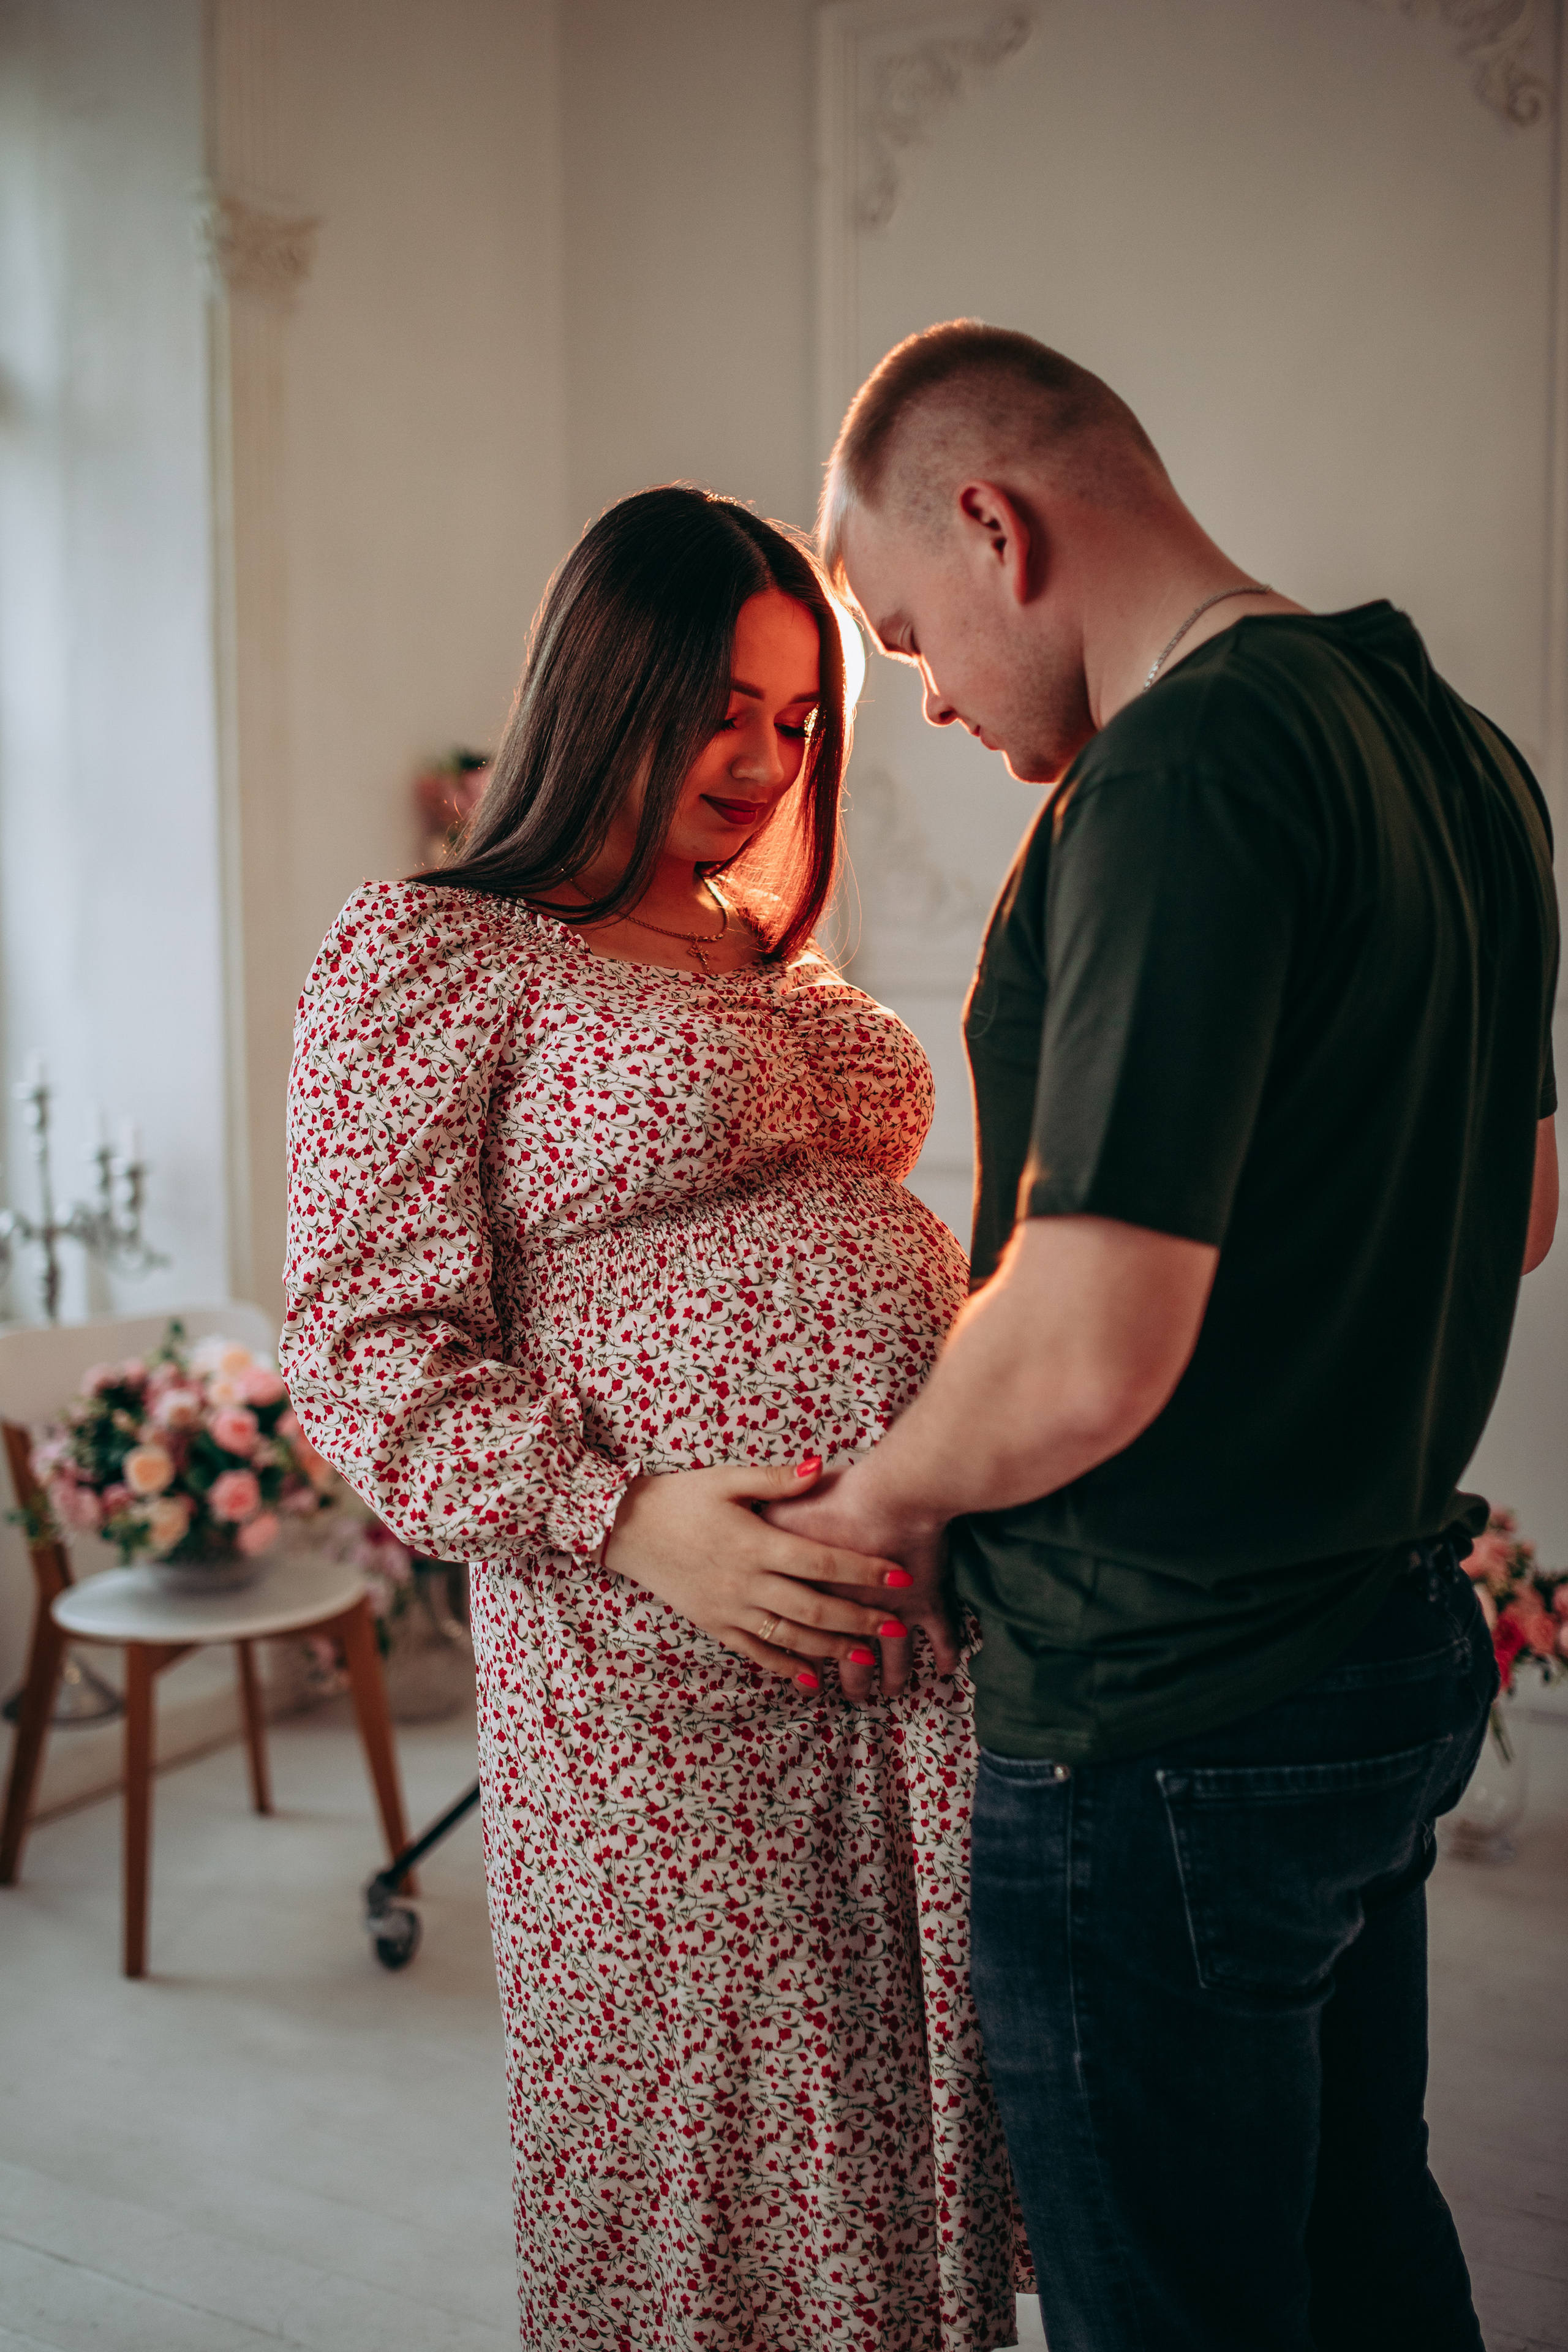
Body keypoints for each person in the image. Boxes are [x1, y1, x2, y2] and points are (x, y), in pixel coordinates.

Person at [767, 321, 1561, 2352]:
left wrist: (872, 1502)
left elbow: (1086, 1346)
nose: (930, 700)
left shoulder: (1182, 768)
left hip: (1171, 1707)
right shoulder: (1461, 752)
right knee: (1365, 2257)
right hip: (1383, 1647)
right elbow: (1523, 1207)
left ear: (994, 524)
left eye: (906, 638)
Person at [280, 485, 1029, 2352]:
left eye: (798, 719)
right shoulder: (437, 952)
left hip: (901, 1660)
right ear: (606, 684)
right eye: (719, 709)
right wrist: (631, 1518)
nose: (764, 762)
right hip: (655, 1684)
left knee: (882, 2139)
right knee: (710, 2166)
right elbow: (363, 1349)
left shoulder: (748, 942)